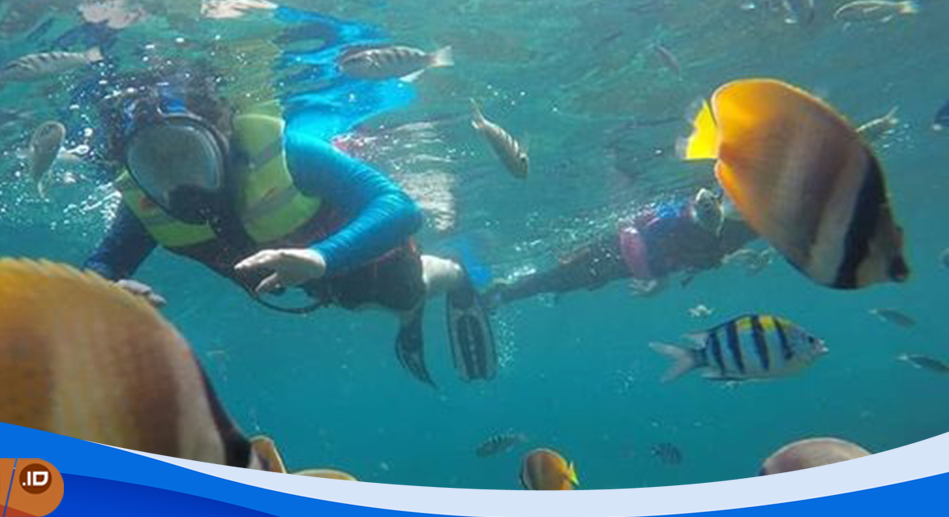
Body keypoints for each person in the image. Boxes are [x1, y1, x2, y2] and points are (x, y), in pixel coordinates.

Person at [82, 80, 496, 385]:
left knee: (396, 292)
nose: (180, 181)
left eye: (189, 155)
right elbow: (104, 263)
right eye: (155, 165)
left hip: (365, 257)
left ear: (223, 139)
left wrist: (322, 257)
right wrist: (103, 289)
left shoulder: (288, 153)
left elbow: (399, 208)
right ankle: (406, 314)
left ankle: (455, 275)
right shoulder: (146, 204)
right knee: (344, 299)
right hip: (302, 272)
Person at [489, 188, 759, 304]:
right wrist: (656, 281)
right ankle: (507, 293)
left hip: (622, 256)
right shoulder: (702, 238)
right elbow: (672, 257)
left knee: (563, 278)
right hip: (624, 258)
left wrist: (656, 281)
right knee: (564, 276)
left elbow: (672, 256)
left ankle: (507, 293)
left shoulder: (699, 236)